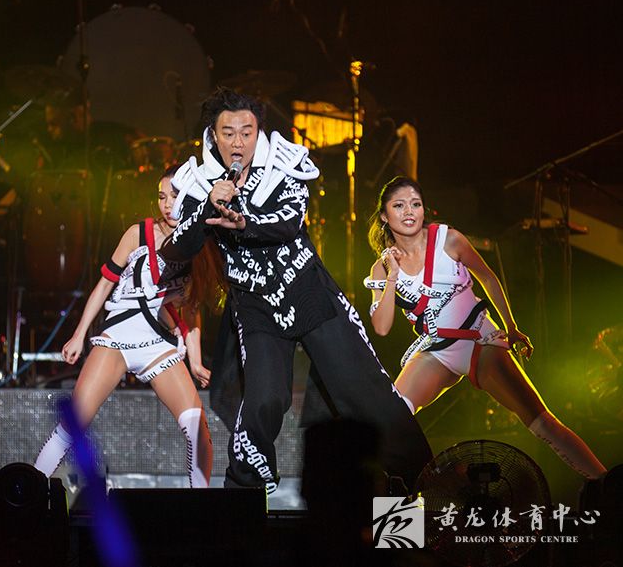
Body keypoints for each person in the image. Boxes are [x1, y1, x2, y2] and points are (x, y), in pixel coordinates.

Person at [162, 87, 432, 494]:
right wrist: (206, 208)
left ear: (259, 132)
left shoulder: (286, 165)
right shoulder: (199, 183)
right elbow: (178, 248)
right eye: (228, 133)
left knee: (366, 392)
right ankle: (241, 512)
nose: (238, 143)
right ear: (213, 136)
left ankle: (426, 490)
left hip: (308, 292)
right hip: (255, 306)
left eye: (247, 132)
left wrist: (244, 223)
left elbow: (289, 223)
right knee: (263, 402)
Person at [365, 176, 606, 480]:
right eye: (399, 205)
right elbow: (381, 327)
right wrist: (391, 276)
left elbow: (488, 278)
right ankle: (417, 503)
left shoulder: (449, 241)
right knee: (390, 420)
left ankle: (607, 486)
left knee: (542, 423)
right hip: (437, 351)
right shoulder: (382, 267)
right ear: (384, 216)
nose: (409, 211)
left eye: (416, 204)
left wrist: (511, 327)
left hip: (480, 340)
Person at [34, 167, 215, 487]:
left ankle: (199, 504)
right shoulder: (138, 233)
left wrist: (196, 361)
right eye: (162, 196)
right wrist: (79, 335)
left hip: (158, 343)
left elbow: (191, 307)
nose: (167, 204)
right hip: (118, 334)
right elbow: (105, 283)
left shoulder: (197, 244)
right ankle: (27, 495)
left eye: (174, 196)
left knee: (197, 427)